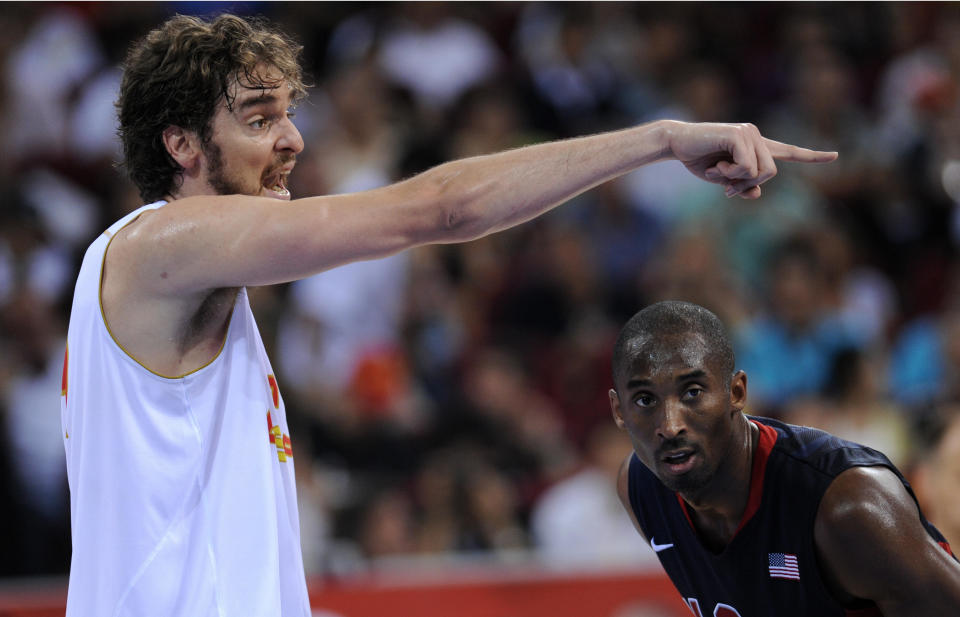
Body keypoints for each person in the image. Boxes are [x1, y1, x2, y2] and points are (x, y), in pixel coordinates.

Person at [59, 13, 837, 617]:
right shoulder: (157, 246)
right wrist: (662, 139)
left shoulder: (187, 286)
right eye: (260, 118)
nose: (293, 137)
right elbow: (442, 209)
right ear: (182, 144)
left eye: (289, 112)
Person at [609, 300, 960, 617]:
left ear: (737, 392)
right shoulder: (641, 488)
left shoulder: (846, 504)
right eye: (644, 400)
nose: (670, 426)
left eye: (693, 392)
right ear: (618, 411)